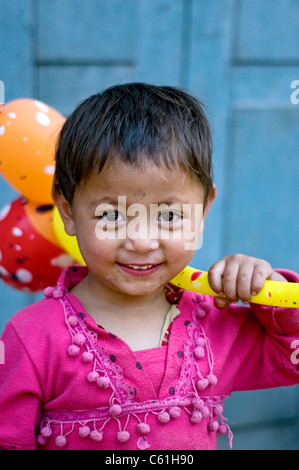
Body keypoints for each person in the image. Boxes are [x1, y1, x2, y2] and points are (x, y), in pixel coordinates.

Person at [0, 83, 298, 451]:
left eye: (170, 215)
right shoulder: (29, 338)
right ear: (66, 210)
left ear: (203, 211)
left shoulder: (214, 321)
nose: (142, 241)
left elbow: (291, 359)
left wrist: (269, 292)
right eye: (111, 215)